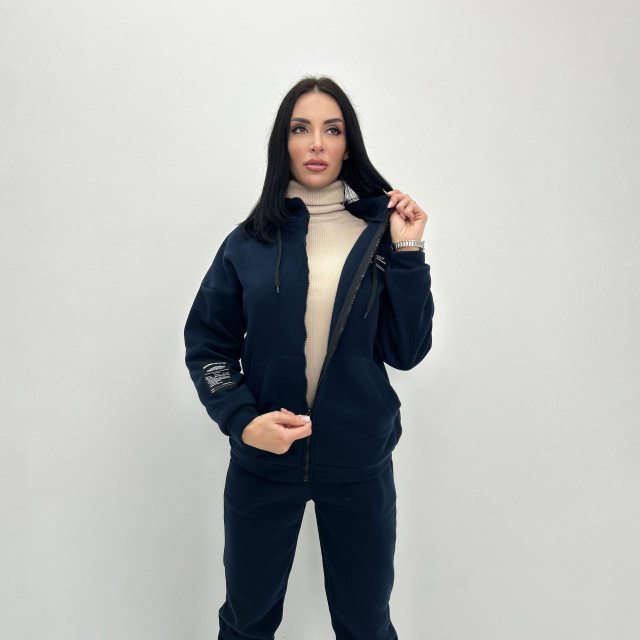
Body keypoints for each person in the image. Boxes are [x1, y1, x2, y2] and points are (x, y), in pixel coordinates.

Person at [184, 75, 434, 640]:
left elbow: (407, 351)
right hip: (264, 461)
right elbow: (207, 345)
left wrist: (409, 251)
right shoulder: (247, 242)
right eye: (301, 129)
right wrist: (244, 423)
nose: (317, 143)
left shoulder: (380, 236)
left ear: (349, 144)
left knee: (366, 624)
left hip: (359, 462)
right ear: (284, 143)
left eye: (332, 129)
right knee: (247, 621)